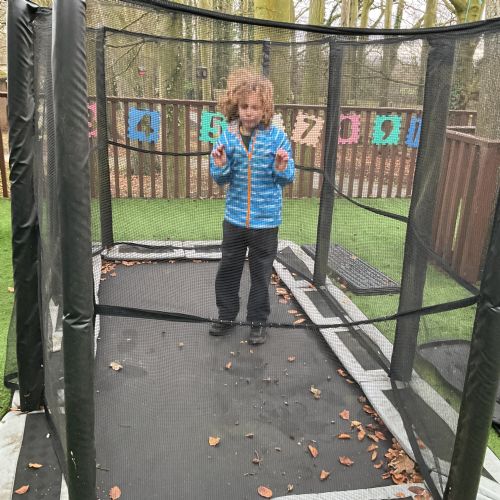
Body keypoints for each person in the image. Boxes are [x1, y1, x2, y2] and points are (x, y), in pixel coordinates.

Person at [209, 68, 295, 345]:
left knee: (260, 273)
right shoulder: (227, 137)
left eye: (255, 107)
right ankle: (226, 315)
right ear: (237, 106)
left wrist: (280, 168)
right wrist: (221, 165)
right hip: (235, 219)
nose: (249, 112)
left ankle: (258, 321)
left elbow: (287, 177)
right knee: (229, 268)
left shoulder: (277, 138)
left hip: (266, 221)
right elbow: (221, 178)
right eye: (244, 106)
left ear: (265, 109)